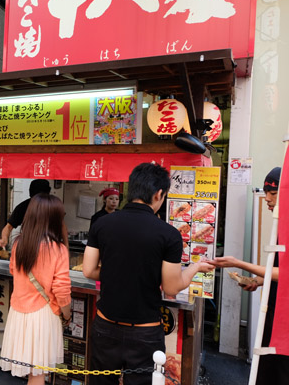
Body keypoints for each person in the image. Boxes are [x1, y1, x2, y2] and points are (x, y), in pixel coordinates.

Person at [83, 163, 214, 385]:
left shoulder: (102, 224)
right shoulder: (169, 235)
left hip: (105, 326)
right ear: (159, 194)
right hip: (144, 334)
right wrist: (195, 267)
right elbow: (172, 287)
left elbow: (88, 270)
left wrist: (116, 272)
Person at [211, 167, 289, 384]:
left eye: (273, 193)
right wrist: (257, 281)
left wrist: (239, 263)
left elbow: (285, 274)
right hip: (273, 310)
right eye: (266, 193)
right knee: (268, 365)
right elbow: (276, 272)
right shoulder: (280, 225)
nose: (267, 199)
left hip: (285, 317)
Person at [0, 193, 72, 385]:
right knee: (38, 374)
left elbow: (14, 272)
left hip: (18, 312)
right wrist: (67, 315)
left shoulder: (18, 245)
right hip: (42, 315)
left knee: (31, 372)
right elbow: (62, 290)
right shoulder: (58, 249)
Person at [0, 179, 51, 249]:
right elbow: (8, 227)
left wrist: (65, 246)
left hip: (48, 247)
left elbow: (62, 227)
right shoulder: (23, 207)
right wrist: (4, 238)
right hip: (28, 247)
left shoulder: (52, 207)